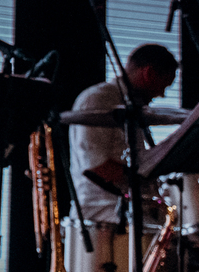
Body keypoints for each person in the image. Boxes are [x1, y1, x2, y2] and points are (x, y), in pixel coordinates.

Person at [67, 43, 179, 223]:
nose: (161, 94)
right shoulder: (99, 99)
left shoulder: (133, 107)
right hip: (103, 217)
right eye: (163, 85)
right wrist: (147, 176)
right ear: (148, 73)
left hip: (129, 213)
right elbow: (98, 167)